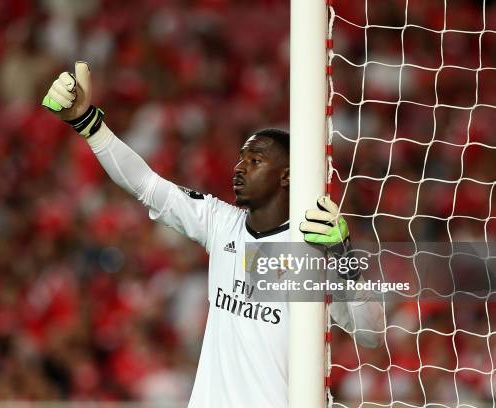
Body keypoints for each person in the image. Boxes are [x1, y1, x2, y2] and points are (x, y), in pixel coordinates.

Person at [42, 62, 384, 407]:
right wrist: (88, 124)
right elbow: (146, 184)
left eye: (256, 161)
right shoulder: (221, 223)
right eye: (241, 158)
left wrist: (343, 259)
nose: (239, 168)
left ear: (286, 176)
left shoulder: (309, 252)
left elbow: (370, 333)